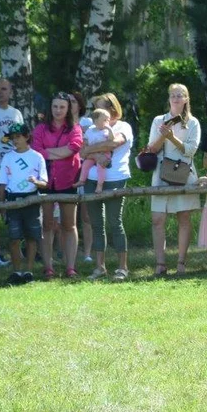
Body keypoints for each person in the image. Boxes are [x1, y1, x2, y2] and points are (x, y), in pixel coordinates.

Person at [147, 83, 201, 277]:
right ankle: (160, 264)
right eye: (173, 95)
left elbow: (190, 150)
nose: (176, 98)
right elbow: (152, 148)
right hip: (161, 174)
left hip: (183, 173)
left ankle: (181, 262)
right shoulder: (158, 120)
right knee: (157, 219)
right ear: (169, 99)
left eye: (180, 95)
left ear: (186, 99)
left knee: (184, 217)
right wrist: (164, 135)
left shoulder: (193, 122)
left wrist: (172, 138)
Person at [82, 93, 133, 281]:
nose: (97, 112)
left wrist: (90, 150)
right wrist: (93, 155)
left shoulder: (123, 126)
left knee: (115, 222)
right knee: (96, 224)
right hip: (92, 179)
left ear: (112, 109)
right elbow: (81, 151)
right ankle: (99, 267)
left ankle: (122, 267)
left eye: (101, 107)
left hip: (116, 177)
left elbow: (114, 143)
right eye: (95, 108)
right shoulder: (91, 128)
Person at [31, 92, 83, 278]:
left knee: (69, 224)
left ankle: (70, 267)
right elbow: (35, 151)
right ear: (50, 108)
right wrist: (58, 153)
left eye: (62, 107)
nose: (58, 110)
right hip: (45, 181)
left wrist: (47, 152)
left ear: (68, 108)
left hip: (68, 180)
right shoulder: (40, 129)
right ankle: (48, 267)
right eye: (55, 106)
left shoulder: (75, 128)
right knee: (47, 224)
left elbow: (74, 148)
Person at [0, 122, 48, 283]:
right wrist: (2, 203)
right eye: (12, 138)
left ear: (27, 137)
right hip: (12, 200)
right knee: (14, 238)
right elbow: (2, 183)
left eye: (18, 137)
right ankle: (16, 271)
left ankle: (29, 271)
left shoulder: (37, 157)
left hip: (32, 200)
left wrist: (36, 181)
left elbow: (44, 183)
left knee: (32, 237)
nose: (15, 140)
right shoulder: (8, 157)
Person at [76, 109, 114, 194]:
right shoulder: (90, 129)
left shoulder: (106, 131)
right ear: (96, 121)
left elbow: (111, 140)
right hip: (91, 154)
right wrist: (85, 143)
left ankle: (99, 185)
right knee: (85, 165)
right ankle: (82, 180)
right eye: (104, 120)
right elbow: (85, 138)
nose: (107, 122)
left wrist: (110, 130)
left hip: (104, 154)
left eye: (108, 120)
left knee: (101, 168)